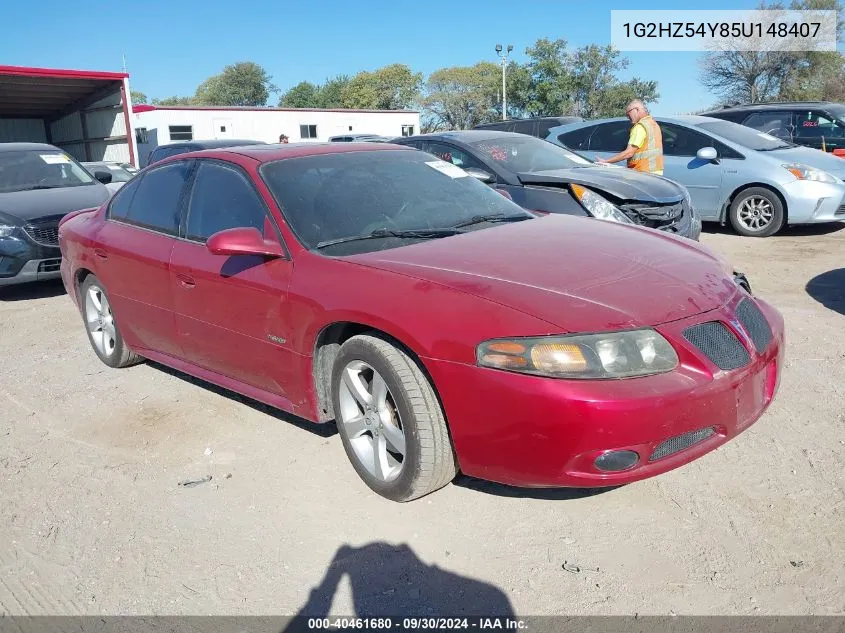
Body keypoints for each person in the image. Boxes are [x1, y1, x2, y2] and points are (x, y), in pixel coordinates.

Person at [597, 99, 663, 175]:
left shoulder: (640, 127)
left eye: (628, 113)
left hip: (642, 173)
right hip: (656, 172)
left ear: (637, 109)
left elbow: (629, 153)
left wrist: (606, 161)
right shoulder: (653, 124)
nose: (628, 117)